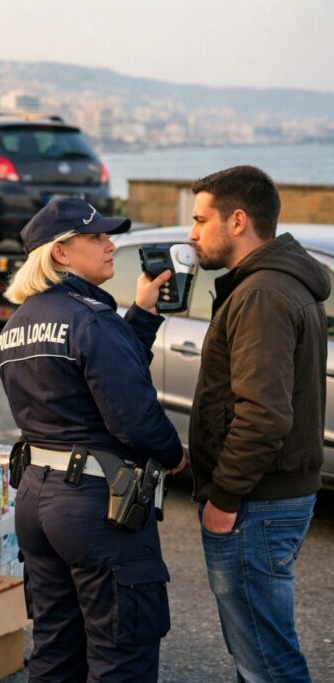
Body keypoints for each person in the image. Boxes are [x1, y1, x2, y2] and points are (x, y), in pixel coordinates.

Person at [0, 197, 185, 682]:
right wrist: (176, 456)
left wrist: (141, 314)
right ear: (60, 253)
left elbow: (85, 384)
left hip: (37, 499)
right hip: (97, 507)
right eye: (97, 237)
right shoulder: (92, 321)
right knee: (120, 655)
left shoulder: (18, 323)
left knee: (56, 650)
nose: (110, 245)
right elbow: (133, 417)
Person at [187, 165, 326, 683]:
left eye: (201, 220)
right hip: (266, 499)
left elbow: (264, 414)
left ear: (238, 220)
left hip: (255, 504)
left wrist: (224, 499)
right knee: (258, 651)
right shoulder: (270, 284)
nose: (191, 233)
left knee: (266, 661)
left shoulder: (262, 295)